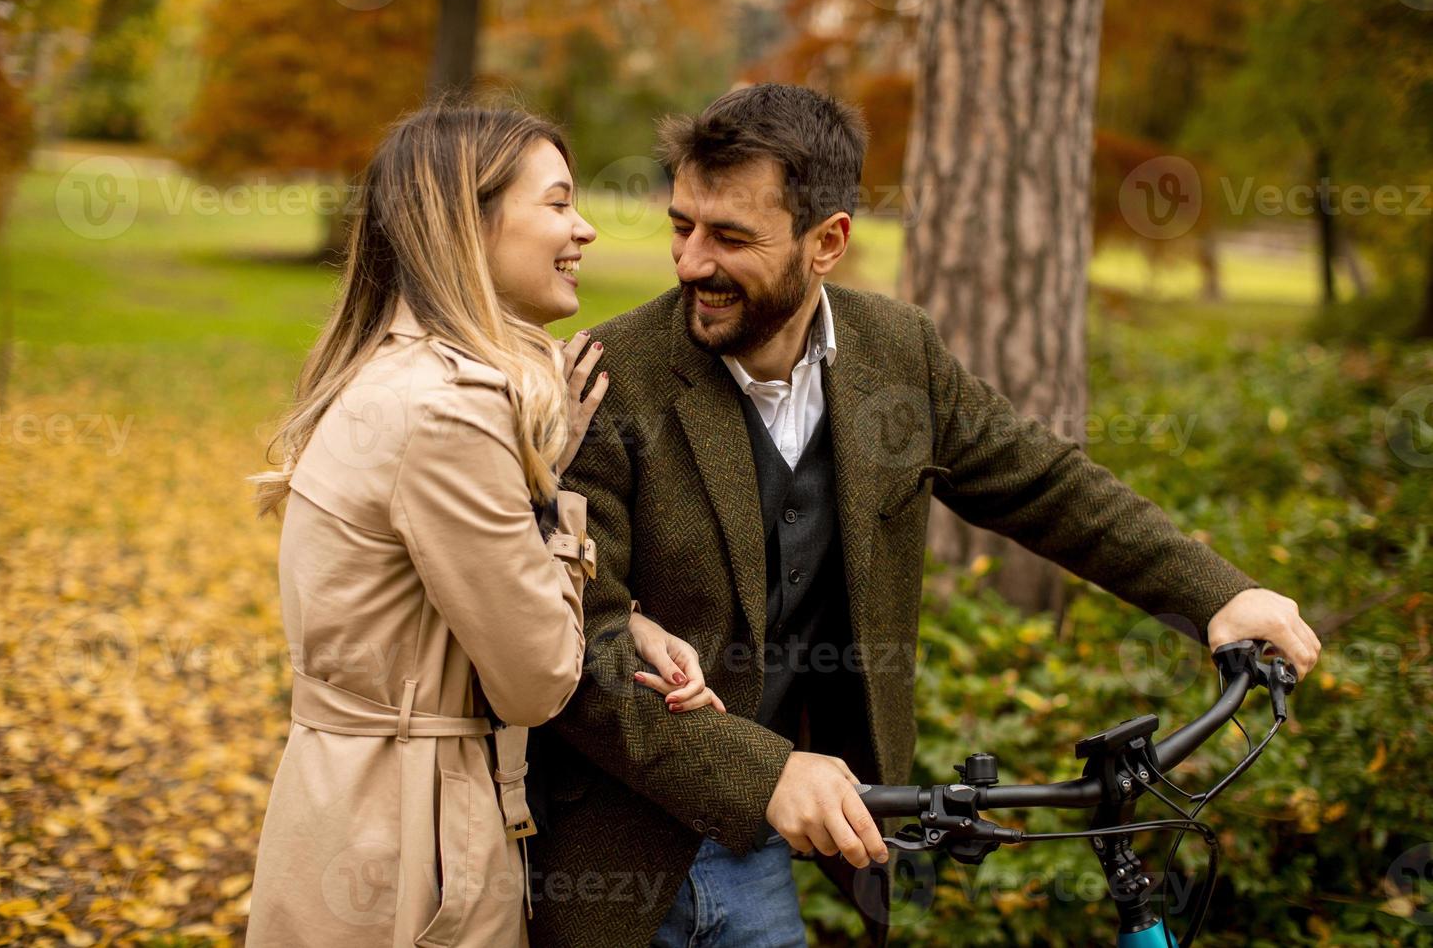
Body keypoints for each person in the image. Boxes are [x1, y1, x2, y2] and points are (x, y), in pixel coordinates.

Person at [528, 83, 1323, 947]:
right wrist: (765, 773)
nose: (689, 263)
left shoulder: (897, 352)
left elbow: (1045, 484)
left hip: (751, 853)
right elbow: (578, 642)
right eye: (683, 226)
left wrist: (1214, 594)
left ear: (827, 241)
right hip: (616, 851)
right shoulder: (611, 380)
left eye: (730, 237)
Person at [243, 102, 721, 948]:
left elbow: (444, 604)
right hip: (410, 855)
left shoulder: (401, 373)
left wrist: (626, 615)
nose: (585, 229)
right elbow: (537, 679)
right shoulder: (450, 416)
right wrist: (551, 496)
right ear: (470, 223)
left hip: (356, 810)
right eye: (558, 202)